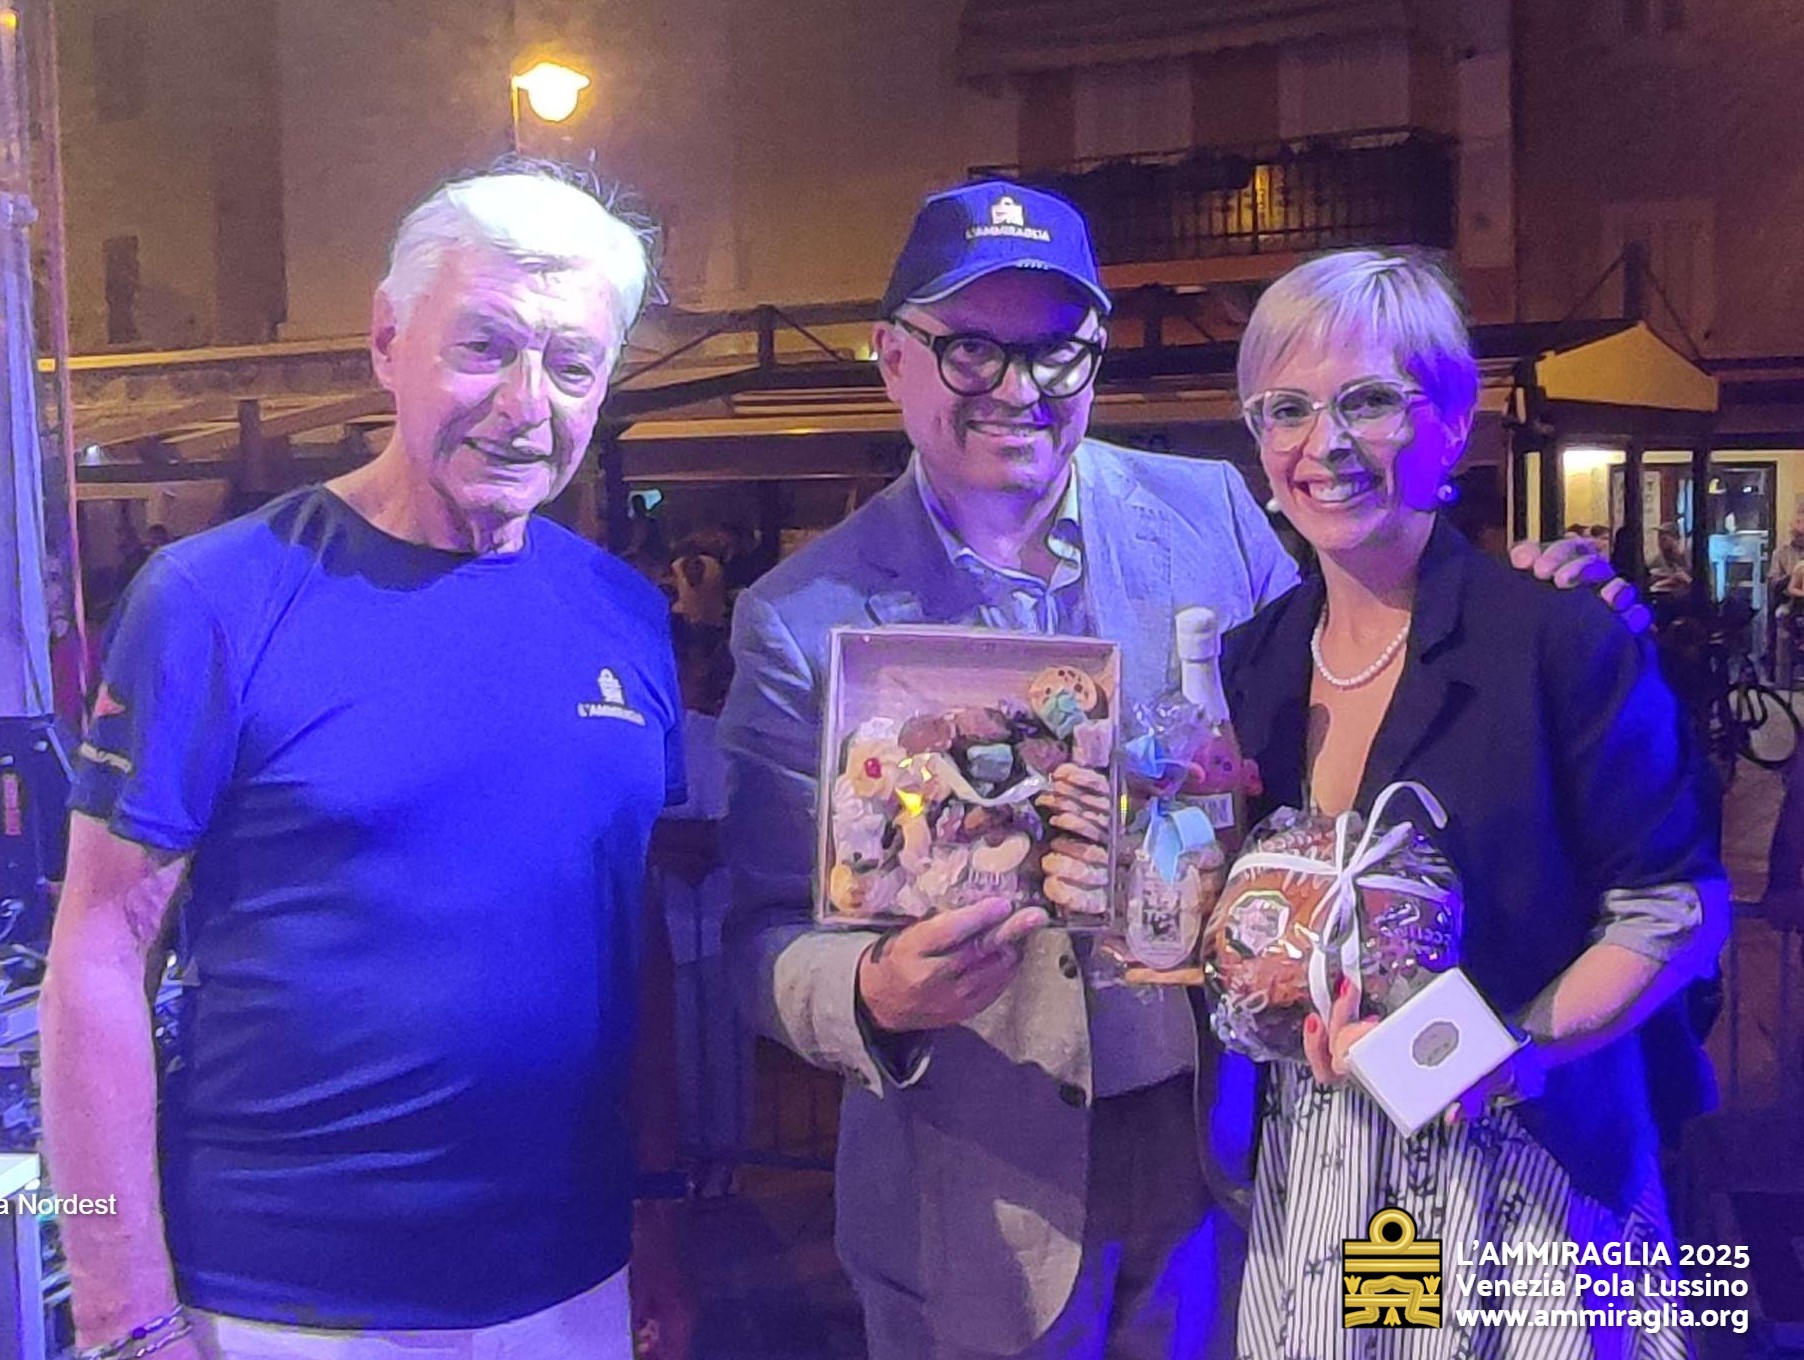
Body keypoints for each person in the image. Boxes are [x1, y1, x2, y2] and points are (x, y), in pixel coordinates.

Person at [720, 182, 1634, 1360]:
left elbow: (1356, 693)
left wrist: (1529, 618)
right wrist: (871, 994)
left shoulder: (1209, 514)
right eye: (970, 350)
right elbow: (758, 932)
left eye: (1056, 350)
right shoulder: (802, 614)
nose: (1019, 388)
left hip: (1227, 1141)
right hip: (971, 1179)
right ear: (892, 357)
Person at [43, 161, 690, 1360]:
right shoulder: (216, 597)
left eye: (571, 364)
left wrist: (658, 1204)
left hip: (571, 1281)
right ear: (387, 341)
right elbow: (96, 953)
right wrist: (119, 1311)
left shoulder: (623, 613)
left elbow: (626, 929)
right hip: (282, 1302)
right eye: (484, 346)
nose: (525, 404)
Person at [1220, 249, 1727, 1358]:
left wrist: (1513, 1053)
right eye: (1287, 409)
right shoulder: (1253, 661)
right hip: (1331, 1171)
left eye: (1368, 401)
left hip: (1528, 1160)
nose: (1324, 442)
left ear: (1450, 422)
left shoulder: (1554, 635)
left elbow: (1671, 907)